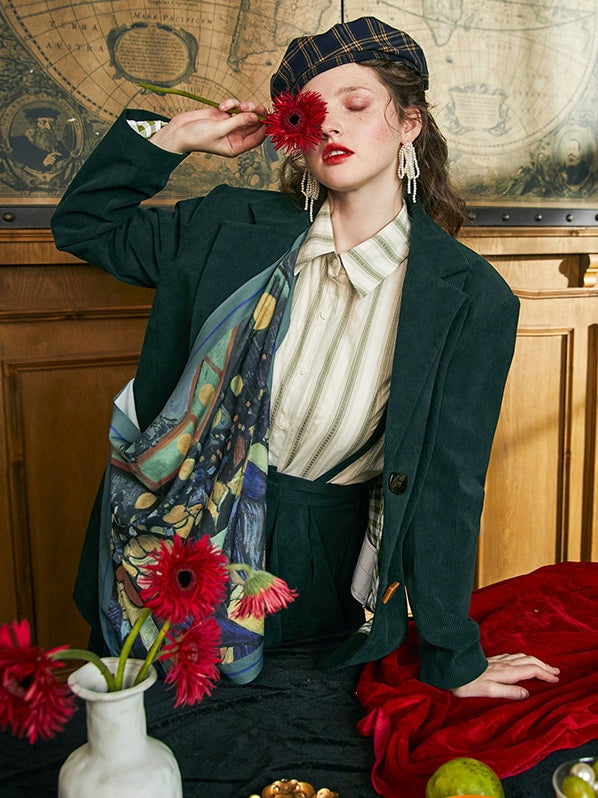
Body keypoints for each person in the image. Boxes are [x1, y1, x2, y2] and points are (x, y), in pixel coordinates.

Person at [51, 16, 559, 699]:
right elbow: (87, 224)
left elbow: (448, 488)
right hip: (167, 547)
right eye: (312, 114)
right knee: (142, 730)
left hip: (318, 569)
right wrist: (173, 138)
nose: (332, 127)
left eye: (357, 104)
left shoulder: (472, 299)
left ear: (409, 123)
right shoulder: (226, 226)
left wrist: (453, 657)